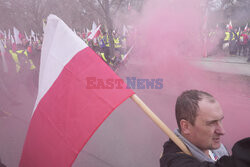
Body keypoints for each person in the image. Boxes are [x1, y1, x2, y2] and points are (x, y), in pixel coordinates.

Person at [160, 90, 229, 166]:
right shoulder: (175, 162)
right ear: (186, 127)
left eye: (220, 121)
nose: (222, 131)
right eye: (211, 123)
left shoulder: (215, 148)